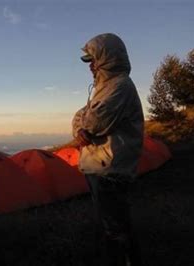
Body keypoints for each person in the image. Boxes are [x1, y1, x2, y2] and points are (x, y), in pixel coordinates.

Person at [72, 33, 144, 266]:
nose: (90, 67)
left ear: (107, 59)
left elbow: (94, 122)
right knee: (111, 223)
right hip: (100, 166)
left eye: (93, 60)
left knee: (116, 228)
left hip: (110, 169)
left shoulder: (119, 87)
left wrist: (84, 124)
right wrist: (81, 126)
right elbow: (80, 118)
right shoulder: (105, 88)